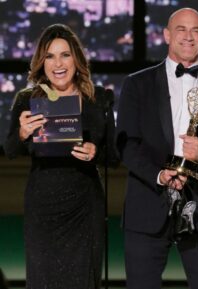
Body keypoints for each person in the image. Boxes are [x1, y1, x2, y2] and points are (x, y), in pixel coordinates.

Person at [115, 7, 198, 289]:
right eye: (181, 29)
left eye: (195, 30)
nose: (188, 36)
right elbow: (126, 144)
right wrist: (159, 175)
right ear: (167, 35)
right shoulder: (137, 84)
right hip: (147, 205)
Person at [3, 24, 117, 289]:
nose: (58, 63)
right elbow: (10, 150)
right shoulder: (27, 99)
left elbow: (114, 155)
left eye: (65, 54)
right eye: (50, 56)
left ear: (76, 58)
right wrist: (22, 133)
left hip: (85, 207)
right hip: (43, 207)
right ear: (41, 63)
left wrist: (95, 152)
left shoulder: (99, 98)